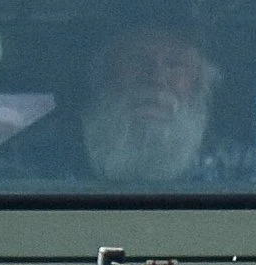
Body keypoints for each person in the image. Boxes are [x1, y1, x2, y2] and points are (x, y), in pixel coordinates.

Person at [80, 18, 225, 187]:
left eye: (175, 64)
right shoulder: (49, 160)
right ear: (105, 75)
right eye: (137, 60)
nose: (157, 77)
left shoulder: (241, 170)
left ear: (198, 84)